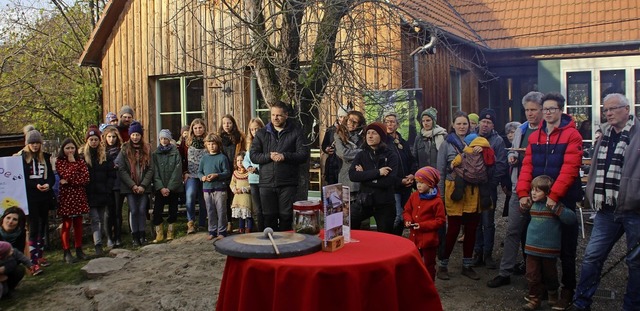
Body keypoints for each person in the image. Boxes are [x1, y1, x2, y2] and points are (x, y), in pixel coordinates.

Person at [570, 93, 640, 311]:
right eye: (606, 109)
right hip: (606, 209)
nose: (608, 113)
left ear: (627, 109)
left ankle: (632, 306)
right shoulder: (604, 136)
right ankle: (581, 303)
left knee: (636, 263)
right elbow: (594, 171)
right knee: (592, 256)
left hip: (634, 209)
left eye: (613, 108)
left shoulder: (638, 135)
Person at [516, 92, 583, 310]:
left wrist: (553, 197)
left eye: (552, 109)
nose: (548, 113)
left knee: (566, 249)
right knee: (532, 244)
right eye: (545, 109)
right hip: (537, 200)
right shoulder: (534, 136)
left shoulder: (572, 135)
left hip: (562, 199)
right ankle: (540, 290)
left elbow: (570, 168)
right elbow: (527, 166)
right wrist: (523, 193)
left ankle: (567, 290)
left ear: (561, 110)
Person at [488, 91, 544, 288]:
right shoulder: (521, 129)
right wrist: (513, 156)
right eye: (527, 110)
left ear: (542, 110)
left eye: (533, 110)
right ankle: (505, 272)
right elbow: (514, 151)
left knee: (538, 234)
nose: (530, 114)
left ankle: (537, 277)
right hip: (519, 185)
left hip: (541, 190)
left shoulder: (548, 130)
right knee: (512, 230)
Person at [250, 101, 309, 231]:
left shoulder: (296, 132)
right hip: (266, 183)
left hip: (287, 183)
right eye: (273, 115)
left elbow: (303, 155)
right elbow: (253, 155)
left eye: (279, 115)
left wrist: (285, 156)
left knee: (286, 217)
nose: (275, 118)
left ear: (286, 115)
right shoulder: (262, 133)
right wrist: (268, 156)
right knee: (269, 217)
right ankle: (270, 247)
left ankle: (285, 247)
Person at [436, 111, 482, 281]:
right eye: (459, 124)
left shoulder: (477, 142)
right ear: (453, 125)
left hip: (472, 190)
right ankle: (443, 265)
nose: (462, 127)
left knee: (471, 229)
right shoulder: (446, 144)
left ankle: (467, 265)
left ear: (469, 125)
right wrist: (439, 195)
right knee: (453, 229)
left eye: (465, 124)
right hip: (453, 189)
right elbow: (440, 170)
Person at [522, 175, 577, 310]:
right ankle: (534, 298)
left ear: (547, 192)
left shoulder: (554, 206)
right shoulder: (532, 205)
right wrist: (523, 207)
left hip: (549, 250)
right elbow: (523, 214)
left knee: (550, 274)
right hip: (531, 248)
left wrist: (557, 209)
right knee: (532, 274)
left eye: (538, 190)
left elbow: (571, 218)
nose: (533, 193)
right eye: (532, 190)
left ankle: (552, 293)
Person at [348, 122, 400, 234]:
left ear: (381, 136)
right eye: (368, 133)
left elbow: (388, 181)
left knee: (386, 236)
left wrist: (364, 176)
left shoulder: (391, 156)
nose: (370, 136)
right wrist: (378, 172)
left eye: (374, 133)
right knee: (349, 223)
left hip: (385, 203)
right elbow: (352, 176)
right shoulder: (361, 155)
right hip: (364, 201)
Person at [473, 108, 507, 269]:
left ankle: (487, 254)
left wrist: (492, 184)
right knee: (475, 221)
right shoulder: (471, 137)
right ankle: (477, 252)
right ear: (479, 122)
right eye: (483, 121)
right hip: (472, 187)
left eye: (489, 122)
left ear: (493, 125)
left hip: (488, 187)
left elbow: (501, 164)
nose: (485, 125)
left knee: (488, 222)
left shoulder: (498, 141)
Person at [17, 129, 54, 274]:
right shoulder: (21, 158)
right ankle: (32, 261)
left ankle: (40, 255)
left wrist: (48, 184)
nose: (35, 145)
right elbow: (21, 178)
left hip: (44, 196)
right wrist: (35, 185)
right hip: (30, 196)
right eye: (32, 143)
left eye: (37, 143)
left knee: (43, 224)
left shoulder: (45, 157)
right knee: (33, 227)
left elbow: (51, 175)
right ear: (27, 143)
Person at [402, 166, 446, 280]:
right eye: (417, 182)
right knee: (413, 261)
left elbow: (440, 220)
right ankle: (414, 283)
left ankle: (429, 285)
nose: (419, 185)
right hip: (414, 238)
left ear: (430, 183)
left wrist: (422, 225)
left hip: (429, 240)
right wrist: (408, 220)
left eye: (422, 182)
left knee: (429, 264)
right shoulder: (414, 195)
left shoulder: (437, 201)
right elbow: (407, 210)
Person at [116, 122, 154, 247]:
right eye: (133, 134)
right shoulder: (124, 149)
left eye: (137, 134)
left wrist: (143, 185)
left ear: (141, 135)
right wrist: (132, 185)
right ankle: (135, 236)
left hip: (144, 185)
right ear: (130, 135)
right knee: (133, 210)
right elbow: (121, 169)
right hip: (129, 186)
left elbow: (151, 169)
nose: (135, 137)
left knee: (142, 210)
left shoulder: (147, 149)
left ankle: (143, 234)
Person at [56, 138, 90, 263]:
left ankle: (79, 249)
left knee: (78, 223)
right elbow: (64, 175)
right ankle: (66, 251)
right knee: (66, 224)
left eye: (72, 148)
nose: (70, 151)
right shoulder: (60, 162)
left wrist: (70, 181)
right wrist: (72, 165)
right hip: (66, 196)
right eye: (67, 148)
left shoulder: (80, 161)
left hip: (78, 195)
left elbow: (85, 178)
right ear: (63, 149)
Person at [83, 126, 116, 256]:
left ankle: (101, 240)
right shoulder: (83, 157)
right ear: (87, 141)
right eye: (91, 139)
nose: (93, 142)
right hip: (90, 193)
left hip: (103, 193)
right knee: (95, 218)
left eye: (96, 139)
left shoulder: (105, 156)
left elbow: (111, 174)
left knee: (101, 218)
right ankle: (98, 244)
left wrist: (108, 188)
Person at [383, 111, 416, 236]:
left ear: (397, 124)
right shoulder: (384, 143)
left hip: (406, 185)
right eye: (387, 122)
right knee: (397, 216)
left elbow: (411, 160)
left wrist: (412, 174)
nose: (389, 124)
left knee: (405, 215)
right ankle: (392, 240)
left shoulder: (403, 142)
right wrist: (399, 180)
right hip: (394, 185)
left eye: (392, 122)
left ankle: (399, 239)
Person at [334, 110, 366, 227]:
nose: (350, 124)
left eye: (355, 122)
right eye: (349, 120)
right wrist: (361, 153)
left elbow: (368, 153)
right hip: (346, 177)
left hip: (361, 178)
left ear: (360, 124)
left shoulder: (364, 136)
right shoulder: (339, 134)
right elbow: (343, 153)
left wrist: (357, 154)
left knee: (361, 212)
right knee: (346, 215)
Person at [151, 129, 183, 243]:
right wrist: (161, 187)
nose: (163, 141)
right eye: (161, 138)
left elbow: (177, 170)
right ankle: (159, 232)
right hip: (160, 188)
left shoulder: (175, 153)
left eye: (166, 138)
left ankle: (170, 230)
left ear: (169, 139)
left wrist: (169, 187)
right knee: (157, 210)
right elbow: (154, 172)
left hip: (173, 188)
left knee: (173, 209)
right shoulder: (155, 154)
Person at [198, 133, 231, 240]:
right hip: (207, 188)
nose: (211, 146)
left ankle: (222, 231)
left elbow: (227, 172)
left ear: (218, 144)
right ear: (206, 145)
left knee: (221, 210)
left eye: (214, 144)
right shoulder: (204, 158)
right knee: (210, 210)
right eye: (209, 144)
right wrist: (202, 177)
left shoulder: (222, 157)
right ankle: (212, 230)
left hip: (220, 188)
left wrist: (217, 175)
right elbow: (199, 172)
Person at [180, 118, 208, 234]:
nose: (198, 130)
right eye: (195, 128)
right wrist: (184, 172)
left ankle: (202, 223)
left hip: (204, 175)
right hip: (191, 175)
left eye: (200, 128)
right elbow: (181, 158)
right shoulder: (186, 142)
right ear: (192, 129)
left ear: (204, 128)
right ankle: (190, 222)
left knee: (203, 199)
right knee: (190, 196)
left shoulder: (208, 140)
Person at [218, 114, 246, 233]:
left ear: (233, 124)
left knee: (239, 195)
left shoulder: (239, 137)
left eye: (229, 123)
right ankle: (228, 222)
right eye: (224, 123)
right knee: (226, 198)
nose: (226, 125)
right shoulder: (219, 138)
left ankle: (242, 223)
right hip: (224, 169)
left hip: (237, 168)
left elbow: (243, 152)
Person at [0, 207, 34, 292]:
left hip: (8, 264)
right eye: (8, 218)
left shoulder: (21, 234)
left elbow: (18, 257)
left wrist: (5, 268)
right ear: (3, 218)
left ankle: (7, 290)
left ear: (18, 223)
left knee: (19, 270)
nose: (10, 221)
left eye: (14, 219)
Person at [102, 126, 124, 248]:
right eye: (109, 137)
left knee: (117, 211)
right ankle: (109, 237)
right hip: (106, 185)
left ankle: (118, 236)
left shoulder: (121, 150)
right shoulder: (102, 151)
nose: (111, 139)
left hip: (118, 184)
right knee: (108, 212)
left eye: (114, 137)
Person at [243, 118, 265, 231]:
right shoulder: (250, 145)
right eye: (252, 129)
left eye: (257, 129)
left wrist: (256, 168)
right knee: (257, 208)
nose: (254, 132)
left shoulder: (266, 142)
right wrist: (248, 167)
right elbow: (245, 160)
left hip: (264, 179)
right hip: (253, 180)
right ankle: (260, 229)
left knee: (266, 206)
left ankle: (267, 227)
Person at [322, 107, 348, 185]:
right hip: (332, 164)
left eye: (345, 117)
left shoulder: (350, 130)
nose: (342, 119)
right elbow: (324, 144)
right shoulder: (330, 130)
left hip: (344, 163)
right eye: (341, 117)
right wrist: (326, 149)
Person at [501, 121, 522, 217]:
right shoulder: (506, 148)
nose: (510, 135)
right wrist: (504, 183)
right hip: (510, 185)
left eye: (512, 132)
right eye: (508, 133)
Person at [230, 152, 252, 233]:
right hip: (238, 197)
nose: (239, 162)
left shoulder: (249, 173)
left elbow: (251, 185)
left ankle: (249, 229)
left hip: (246, 197)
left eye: (242, 160)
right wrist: (234, 189)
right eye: (238, 161)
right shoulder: (235, 173)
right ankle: (241, 228)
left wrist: (243, 189)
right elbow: (232, 183)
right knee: (240, 214)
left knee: (248, 214)